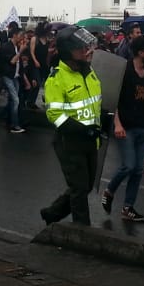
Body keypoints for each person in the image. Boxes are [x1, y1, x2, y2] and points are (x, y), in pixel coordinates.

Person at [40, 26, 102, 225]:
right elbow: (55, 115)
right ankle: (82, 231)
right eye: (80, 48)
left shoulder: (89, 72)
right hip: (71, 141)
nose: (85, 51)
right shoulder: (56, 79)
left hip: (92, 139)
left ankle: (52, 213)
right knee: (79, 188)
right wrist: (82, 129)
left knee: (85, 186)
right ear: (68, 51)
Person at [101, 35, 144, 222]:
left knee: (138, 169)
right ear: (140, 52)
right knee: (128, 165)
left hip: (142, 125)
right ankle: (109, 191)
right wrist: (117, 123)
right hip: (125, 125)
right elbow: (113, 98)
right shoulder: (125, 70)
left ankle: (128, 207)